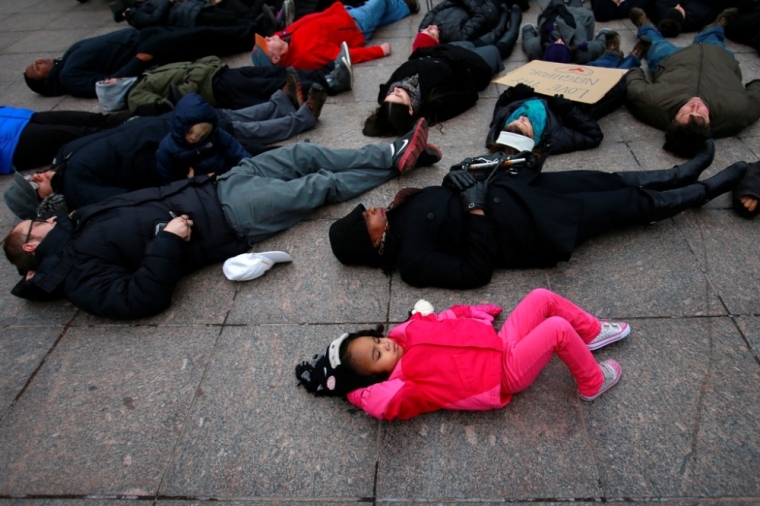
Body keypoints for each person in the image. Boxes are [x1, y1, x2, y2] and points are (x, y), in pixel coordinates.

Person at [2, 119, 441, 319]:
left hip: (215, 186)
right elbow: (138, 300)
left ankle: (389, 152)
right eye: (36, 226)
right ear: (30, 246)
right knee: (318, 186)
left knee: (304, 153)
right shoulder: (77, 275)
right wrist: (168, 241)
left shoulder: (76, 224)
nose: (46, 221)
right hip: (228, 219)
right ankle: (396, 162)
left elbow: (141, 199)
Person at [329, 141, 748, 289]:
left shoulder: (401, 207)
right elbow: (475, 272)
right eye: (366, 218)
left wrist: (458, 181)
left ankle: (681, 172)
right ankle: (704, 191)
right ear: (369, 242)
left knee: (605, 179)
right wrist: (474, 208)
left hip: (522, 191)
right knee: (623, 206)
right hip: (530, 227)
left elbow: (445, 195)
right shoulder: (412, 264)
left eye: (366, 209)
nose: (373, 209)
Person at [295, 290, 629, 419]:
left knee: (541, 297)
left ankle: (590, 333)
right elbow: (380, 404)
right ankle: (592, 382)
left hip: (499, 343)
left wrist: (470, 310)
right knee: (556, 328)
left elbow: (439, 318)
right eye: (377, 356)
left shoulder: (407, 333)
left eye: (376, 341)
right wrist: (349, 390)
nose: (385, 346)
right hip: (504, 373)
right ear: (377, 376)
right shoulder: (405, 384)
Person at [3, 86, 328, 219]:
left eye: (31, 175)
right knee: (241, 142)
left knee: (226, 120)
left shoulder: (63, 157)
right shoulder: (77, 190)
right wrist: (180, 183)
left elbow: (103, 131)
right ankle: (300, 137)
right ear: (43, 203)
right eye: (34, 185)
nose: (37, 176)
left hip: (156, 126)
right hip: (170, 152)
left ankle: (283, 109)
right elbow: (128, 199)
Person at [626, 7, 760, 156]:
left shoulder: (653, 104)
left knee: (655, 43)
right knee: (713, 39)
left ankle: (644, 26)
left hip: (672, 59)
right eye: (702, 115)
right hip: (718, 58)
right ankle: (716, 27)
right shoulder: (736, 113)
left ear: (673, 120)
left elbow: (634, 87)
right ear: (709, 123)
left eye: (686, 113)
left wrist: (632, 65)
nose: (695, 106)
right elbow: (757, 95)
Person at [362, 12, 522, 137]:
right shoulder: (433, 105)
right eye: (399, 96)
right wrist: (458, 63)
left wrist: (433, 50)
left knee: (491, 35)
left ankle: (503, 17)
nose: (395, 90)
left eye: (390, 94)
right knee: (501, 44)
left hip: (446, 50)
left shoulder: (391, 91)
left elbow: (412, 61)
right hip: (474, 64)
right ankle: (515, 24)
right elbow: (469, 95)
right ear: (410, 109)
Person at [23, 25, 259, 98]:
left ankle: (254, 25)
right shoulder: (69, 78)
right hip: (144, 50)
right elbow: (108, 85)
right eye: (36, 68)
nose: (38, 61)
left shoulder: (65, 61)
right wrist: (140, 59)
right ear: (45, 82)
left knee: (199, 31)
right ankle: (256, 33)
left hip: (143, 37)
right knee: (203, 36)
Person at [96, 55, 350, 115]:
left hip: (216, 72)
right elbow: (168, 103)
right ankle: (329, 82)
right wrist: (194, 83)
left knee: (274, 71)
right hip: (212, 88)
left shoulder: (143, 77)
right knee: (270, 83)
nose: (111, 79)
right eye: (107, 84)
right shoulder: (135, 96)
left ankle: (326, 70)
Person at [484, 83, 625, 168]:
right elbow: (594, 136)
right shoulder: (554, 138)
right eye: (524, 124)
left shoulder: (500, 125)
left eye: (514, 120)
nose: (522, 117)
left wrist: (512, 93)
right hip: (585, 97)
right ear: (533, 137)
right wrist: (568, 110)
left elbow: (501, 105)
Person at [250, 0, 410, 69]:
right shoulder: (306, 54)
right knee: (378, 4)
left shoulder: (283, 38)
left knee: (380, 15)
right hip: (354, 26)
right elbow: (343, 55)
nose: (268, 37)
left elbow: (279, 34)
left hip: (342, 16)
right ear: (277, 58)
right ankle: (400, 4)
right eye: (266, 43)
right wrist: (378, 51)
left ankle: (405, 6)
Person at [0, 106, 132, 175]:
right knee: (89, 134)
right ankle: (142, 131)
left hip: (22, 117)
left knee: (98, 120)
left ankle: (148, 113)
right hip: (15, 143)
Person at [154, 94, 252, 184]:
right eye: (190, 132)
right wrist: (193, 180)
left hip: (229, 175)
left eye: (201, 135)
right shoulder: (167, 150)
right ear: (181, 126)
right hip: (202, 189)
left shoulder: (215, 134)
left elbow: (236, 150)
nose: (194, 138)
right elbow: (171, 184)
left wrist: (249, 167)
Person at [521, 0, 617, 64]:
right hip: (577, 16)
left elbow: (527, 38)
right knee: (576, 2)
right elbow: (599, 45)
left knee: (555, 2)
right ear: (569, 50)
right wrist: (603, 33)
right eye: (562, 44)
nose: (559, 40)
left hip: (553, 14)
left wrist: (528, 28)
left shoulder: (536, 49)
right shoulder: (582, 52)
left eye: (554, 43)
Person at [111, 0, 265, 29]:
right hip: (190, 18)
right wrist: (169, 1)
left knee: (230, 15)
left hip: (195, 9)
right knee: (230, 20)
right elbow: (154, 20)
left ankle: (260, 18)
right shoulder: (137, 13)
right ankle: (260, 22)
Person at [416, 0, 504, 43]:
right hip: (486, 8)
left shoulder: (424, 26)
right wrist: (464, 1)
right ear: (437, 41)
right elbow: (480, 17)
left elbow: (435, 10)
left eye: (425, 30)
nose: (430, 27)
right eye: (431, 33)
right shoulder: (457, 37)